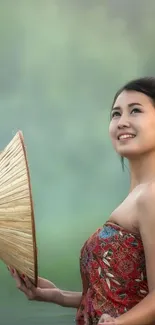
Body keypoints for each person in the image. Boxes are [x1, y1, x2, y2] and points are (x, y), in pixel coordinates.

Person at [8, 76, 155, 325]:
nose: (122, 122)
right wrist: (55, 295)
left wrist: (119, 323)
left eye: (135, 111)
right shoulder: (136, 197)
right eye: (115, 114)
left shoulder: (151, 197)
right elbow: (120, 296)